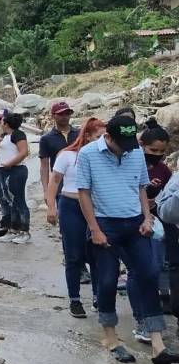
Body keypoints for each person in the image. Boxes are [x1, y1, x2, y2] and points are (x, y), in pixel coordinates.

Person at [75, 113, 179, 364]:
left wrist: (147, 218)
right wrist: (95, 229)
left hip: (135, 224)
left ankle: (157, 343)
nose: (127, 148)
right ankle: (111, 338)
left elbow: (141, 187)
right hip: (105, 225)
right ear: (108, 137)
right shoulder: (88, 154)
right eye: (121, 142)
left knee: (149, 274)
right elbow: (84, 193)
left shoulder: (133, 153)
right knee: (108, 281)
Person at [46, 118, 103, 318]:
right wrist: (51, 206)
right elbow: (54, 181)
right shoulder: (67, 155)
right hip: (70, 206)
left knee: (97, 254)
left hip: (96, 208)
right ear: (87, 136)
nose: (102, 141)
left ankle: (98, 296)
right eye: (98, 137)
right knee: (73, 255)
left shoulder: (104, 157)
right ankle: (75, 300)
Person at [137, 119, 174, 337]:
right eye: (153, 150)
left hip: (157, 218)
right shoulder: (132, 164)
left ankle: (163, 295)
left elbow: (168, 193)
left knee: (160, 259)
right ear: (142, 145)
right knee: (142, 265)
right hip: (133, 219)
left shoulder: (163, 170)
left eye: (161, 151)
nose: (157, 154)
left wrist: (156, 204)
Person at [0, 112, 30, 243]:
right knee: (10, 201)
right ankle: (13, 229)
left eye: (2, 121)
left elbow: (24, 152)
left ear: (6, 123)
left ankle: (25, 230)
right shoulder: (6, 136)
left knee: (19, 201)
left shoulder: (18, 134)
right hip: (4, 171)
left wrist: (10, 163)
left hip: (15, 170)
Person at [38, 101, 78, 196]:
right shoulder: (46, 139)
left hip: (80, 181)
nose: (64, 116)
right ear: (53, 116)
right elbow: (44, 166)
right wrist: (46, 189)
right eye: (60, 114)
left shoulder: (79, 134)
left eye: (67, 113)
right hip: (58, 183)